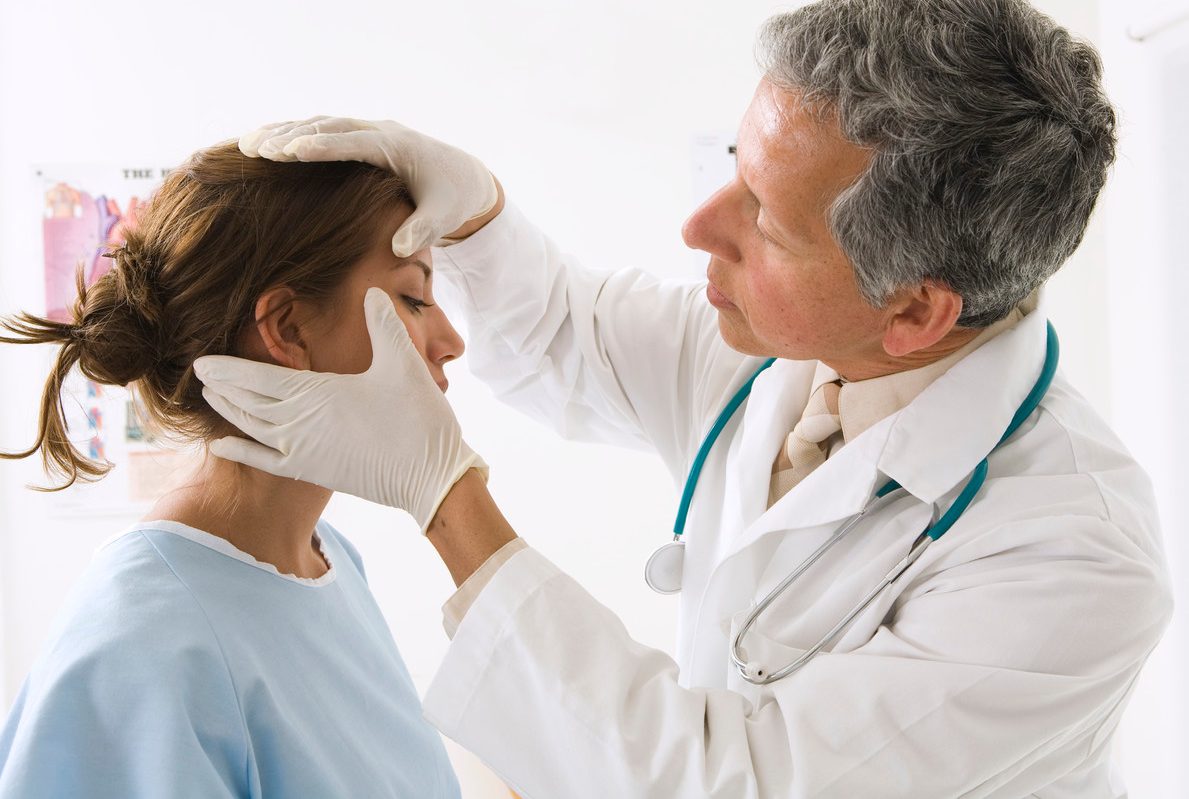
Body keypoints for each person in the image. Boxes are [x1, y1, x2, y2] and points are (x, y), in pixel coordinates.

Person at [196, 0, 1173, 796]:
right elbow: (561, 335)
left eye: (766, 222)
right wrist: (480, 212)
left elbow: (724, 784)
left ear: (913, 311)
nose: (699, 226)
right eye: (735, 168)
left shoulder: (1069, 556)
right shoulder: (785, 354)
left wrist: (447, 496)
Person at [0, 142, 470, 798]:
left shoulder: (327, 560)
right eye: (413, 297)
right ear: (288, 329)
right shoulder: (141, 650)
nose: (451, 339)